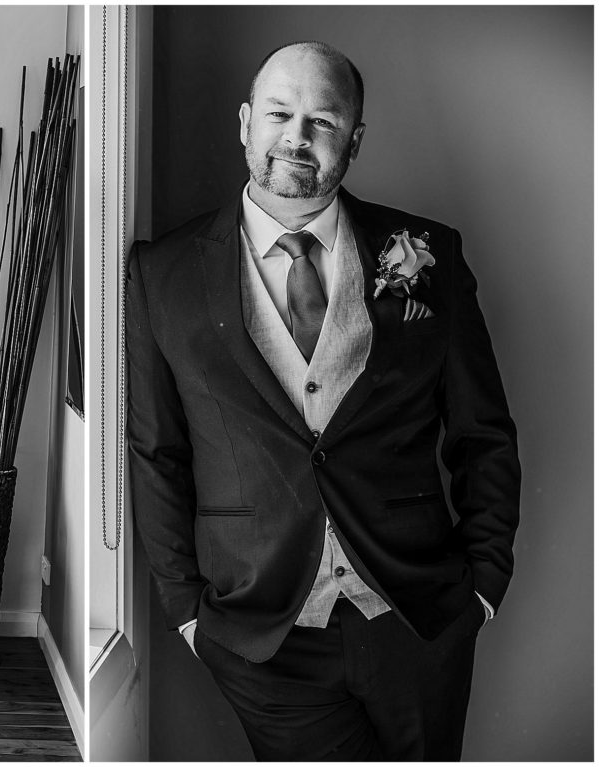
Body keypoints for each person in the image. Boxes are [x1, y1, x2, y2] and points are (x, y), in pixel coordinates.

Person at [126, 41, 520, 760]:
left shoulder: (425, 252)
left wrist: (484, 584)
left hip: (418, 615)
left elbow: (482, 431)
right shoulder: (162, 273)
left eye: (323, 120)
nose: (296, 136)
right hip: (258, 629)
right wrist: (186, 610)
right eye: (279, 112)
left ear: (354, 140)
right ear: (246, 122)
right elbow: (158, 450)